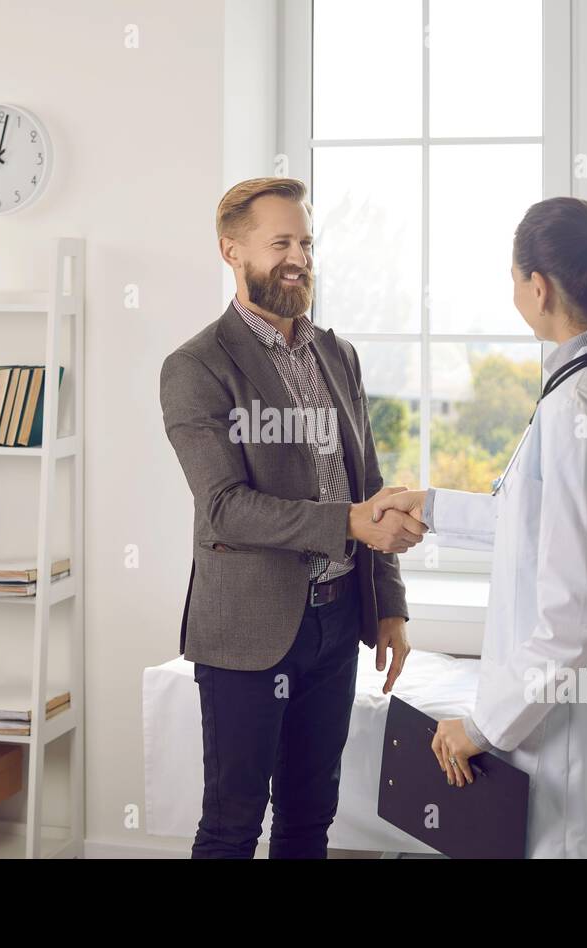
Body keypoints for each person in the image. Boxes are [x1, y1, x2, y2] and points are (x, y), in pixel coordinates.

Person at [373, 196, 587, 857]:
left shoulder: (579, 407)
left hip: (576, 736)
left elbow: (578, 610)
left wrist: (484, 726)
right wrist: (431, 506)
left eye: (514, 278)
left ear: (537, 288)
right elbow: (549, 525)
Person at [160, 177, 426, 858]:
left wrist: (388, 604)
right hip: (247, 629)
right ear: (232, 250)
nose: (298, 257)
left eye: (305, 241)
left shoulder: (337, 355)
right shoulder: (196, 367)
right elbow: (224, 508)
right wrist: (349, 523)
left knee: (311, 820)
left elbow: (367, 486)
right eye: (280, 242)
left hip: (337, 621)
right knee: (232, 825)